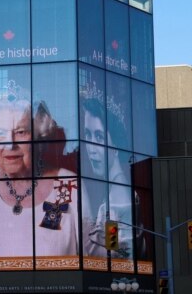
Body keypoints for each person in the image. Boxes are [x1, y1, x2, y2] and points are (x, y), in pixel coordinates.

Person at [0, 83, 79, 269]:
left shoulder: (68, 185)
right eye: (0, 133)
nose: (9, 144)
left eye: (20, 132)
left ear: (38, 136)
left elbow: (99, 262)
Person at [81, 93, 134, 259]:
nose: (91, 148)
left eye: (99, 136)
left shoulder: (117, 198)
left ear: (116, 146)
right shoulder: (115, 190)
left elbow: (120, 254)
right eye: (87, 135)